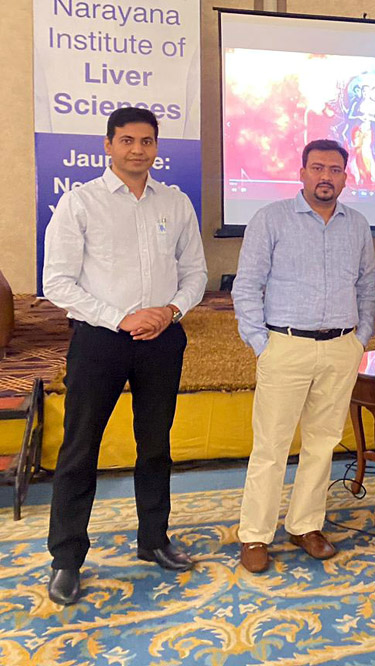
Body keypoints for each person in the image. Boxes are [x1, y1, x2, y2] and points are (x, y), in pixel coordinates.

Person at [42, 107, 207, 605]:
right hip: (99, 342)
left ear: (157, 147)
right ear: (109, 145)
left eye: (148, 141)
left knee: (155, 445)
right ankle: (67, 559)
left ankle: (154, 540)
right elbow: (57, 282)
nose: (138, 149)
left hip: (163, 339)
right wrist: (122, 318)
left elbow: (195, 272)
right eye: (128, 140)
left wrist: (170, 311)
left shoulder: (175, 204)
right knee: (79, 451)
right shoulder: (80, 203)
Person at [232, 139, 375, 573]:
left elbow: (368, 287)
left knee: (322, 444)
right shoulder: (270, 219)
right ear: (301, 173)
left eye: (335, 170)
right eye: (317, 168)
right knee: (271, 447)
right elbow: (247, 286)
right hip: (285, 346)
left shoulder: (357, 225)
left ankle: (305, 525)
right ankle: (255, 535)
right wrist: (262, 344)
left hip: (340, 348)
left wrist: (360, 338)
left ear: (346, 178)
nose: (326, 177)